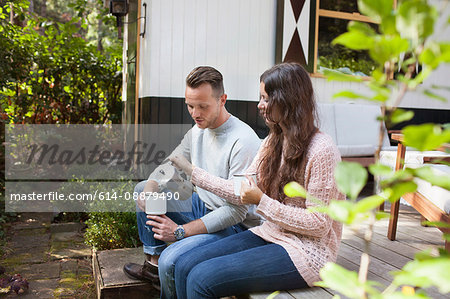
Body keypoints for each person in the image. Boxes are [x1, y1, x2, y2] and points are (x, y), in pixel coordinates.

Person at [170, 62, 345, 298]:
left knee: (201, 279)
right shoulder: (273, 142)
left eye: (265, 98)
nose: (259, 105)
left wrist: (262, 201)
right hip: (270, 234)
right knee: (183, 264)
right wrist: (194, 172)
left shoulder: (322, 151)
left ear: (287, 100)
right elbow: (238, 190)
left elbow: (319, 224)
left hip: (307, 253)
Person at [123, 66, 262, 298]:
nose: (195, 113)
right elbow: (170, 165)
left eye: (203, 106)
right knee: (143, 188)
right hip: (202, 206)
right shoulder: (198, 129)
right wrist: (149, 188)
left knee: (174, 260)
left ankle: (166, 276)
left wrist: (179, 231)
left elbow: (236, 212)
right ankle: (154, 267)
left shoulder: (243, 141)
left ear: (222, 100)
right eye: (190, 105)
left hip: (234, 228)